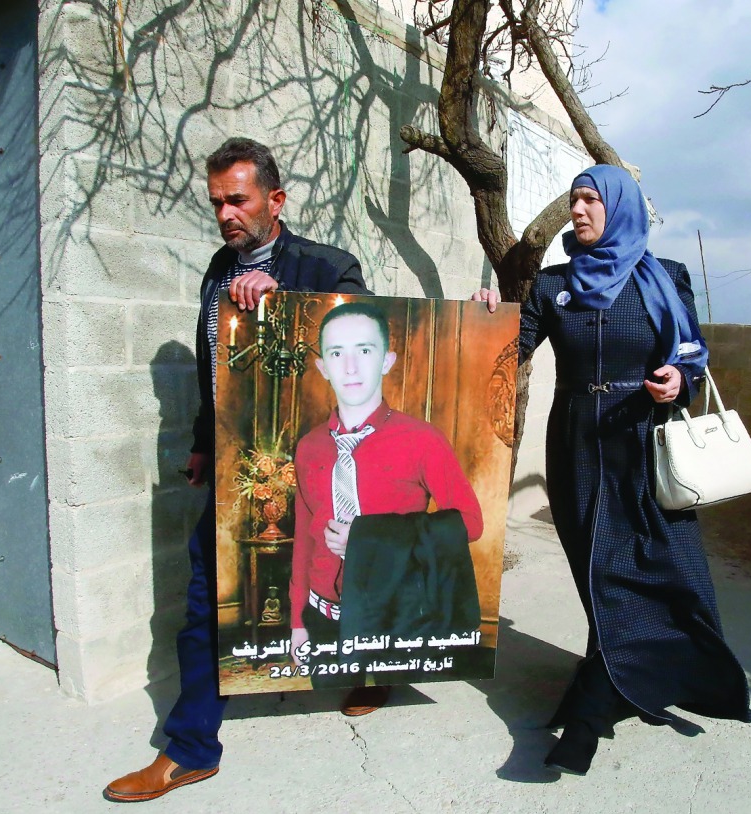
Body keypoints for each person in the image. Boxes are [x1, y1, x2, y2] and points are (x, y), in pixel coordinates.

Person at [104, 138, 371, 804]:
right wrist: (202, 441)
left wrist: (286, 307)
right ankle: (192, 749)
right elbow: (213, 373)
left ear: (276, 201)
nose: (225, 212)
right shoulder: (217, 273)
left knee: (344, 581)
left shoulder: (329, 267)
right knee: (207, 605)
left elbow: (364, 352)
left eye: (238, 198)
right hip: (240, 469)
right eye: (217, 200)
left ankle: (371, 670)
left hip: (318, 467)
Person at [473, 164, 751, 776]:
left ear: (620, 208)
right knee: (598, 567)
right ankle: (615, 677)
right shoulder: (553, 286)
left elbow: (691, 356)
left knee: (657, 565)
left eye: (591, 200)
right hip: (576, 440)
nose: (578, 211)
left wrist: (677, 379)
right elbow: (508, 349)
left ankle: (591, 710)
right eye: (574, 200)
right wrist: (485, 316)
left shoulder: (665, 277)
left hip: (646, 441)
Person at [288, 302, 485, 700]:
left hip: (390, 611)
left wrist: (365, 540)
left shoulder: (421, 439)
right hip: (322, 613)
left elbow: (470, 522)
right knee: (328, 704)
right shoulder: (309, 446)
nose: (350, 367)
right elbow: (303, 538)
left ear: (387, 360)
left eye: (364, 350)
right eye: (336, 353)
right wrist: (297, 622)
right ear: (322, 366)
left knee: (377, 703)